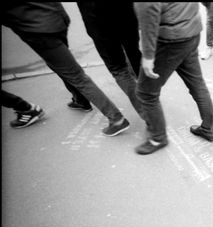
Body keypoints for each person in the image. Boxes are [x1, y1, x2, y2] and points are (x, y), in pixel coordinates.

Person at [2, 2, 130, 136]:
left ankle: (116, 119)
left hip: (39, 31)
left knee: (77, 76)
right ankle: (80, 100)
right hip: (55, 18)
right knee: (62, 67)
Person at [134, 2, 213, 155]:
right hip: (191, 31)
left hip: (170, 39)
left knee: (146, 92)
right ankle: (208, 128)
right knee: (197, 84)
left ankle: (158, 137)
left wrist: (148, 56)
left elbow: (148, 19)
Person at [77, 1, 144, 121]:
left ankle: (149, 114)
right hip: (125, 12)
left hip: (98, 19)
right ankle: (151, 95)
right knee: (133, 53)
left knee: (119, 70)